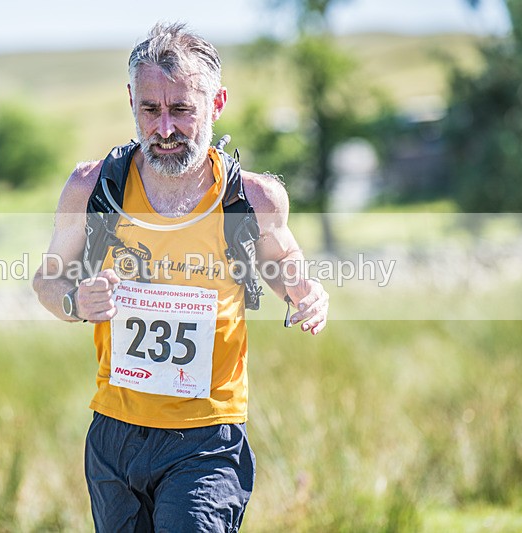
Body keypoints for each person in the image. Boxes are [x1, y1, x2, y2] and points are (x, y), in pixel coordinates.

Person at [33, 22, 329, 532]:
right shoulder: (93, 188)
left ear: (216, 104)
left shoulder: (252, 199)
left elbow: (286, 270)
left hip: (206, 437)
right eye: (150, 109)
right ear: (131, 101)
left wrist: (310, 295)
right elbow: (47, 281)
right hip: (115, 435)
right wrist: (76, 303)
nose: (164, 129)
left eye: (182, 110)